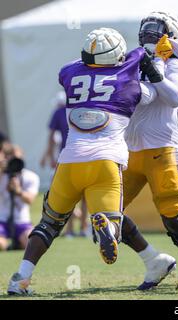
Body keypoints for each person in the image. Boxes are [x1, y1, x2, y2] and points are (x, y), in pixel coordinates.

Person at [7, 27, 153, 295]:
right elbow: (150, 90)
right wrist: (143, 58)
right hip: (105, 162)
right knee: (113, 223)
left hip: (69, 161)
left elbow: (79, 65)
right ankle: (106, 225)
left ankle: (21, 277)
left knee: (48, 225)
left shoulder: (70, 73)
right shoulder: (132, 86)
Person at [122, 11, 178, 291]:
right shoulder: (133, 60)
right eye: (145, 30)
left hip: (163, 148)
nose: (149, 35)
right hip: (129, 148)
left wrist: (154, 70)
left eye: (155, 31)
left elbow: (175, 96)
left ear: (170, 34)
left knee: (174, 216)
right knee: (107, 212)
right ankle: (153, 260)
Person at [40, 91, 89, 238]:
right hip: (86, 156)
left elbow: (51, 136)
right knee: (85, 194)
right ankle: (83, 228)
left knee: (68, 194)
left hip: (66, 156)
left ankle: (69, 230)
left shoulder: (59, 112)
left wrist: (49, 157)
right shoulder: (82, 110)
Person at [0, 145, 39, 251]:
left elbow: (30, 200)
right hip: (2, 220)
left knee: (32, 243)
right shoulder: (1, 175)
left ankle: (18, 242)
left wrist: (19, 191)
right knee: (0, 244)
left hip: (22, 221)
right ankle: (8, 244)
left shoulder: (31, 177)